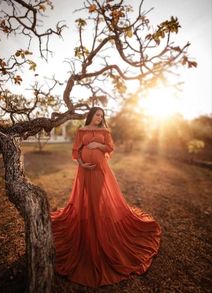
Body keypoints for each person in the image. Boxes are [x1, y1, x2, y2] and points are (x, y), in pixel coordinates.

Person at [50, 106, 162, 288]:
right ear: (91, 116)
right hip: (85, 170)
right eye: (97, 114)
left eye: (101, 115)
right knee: (86, 198)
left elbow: (110, 147)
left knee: (99, 197)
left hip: (101, 170)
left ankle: (99, 224)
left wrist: (97, 145)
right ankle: (89, 224)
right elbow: (76, 151)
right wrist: (82, 164)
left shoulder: (105, 131)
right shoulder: (81, 130)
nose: (99, 117)